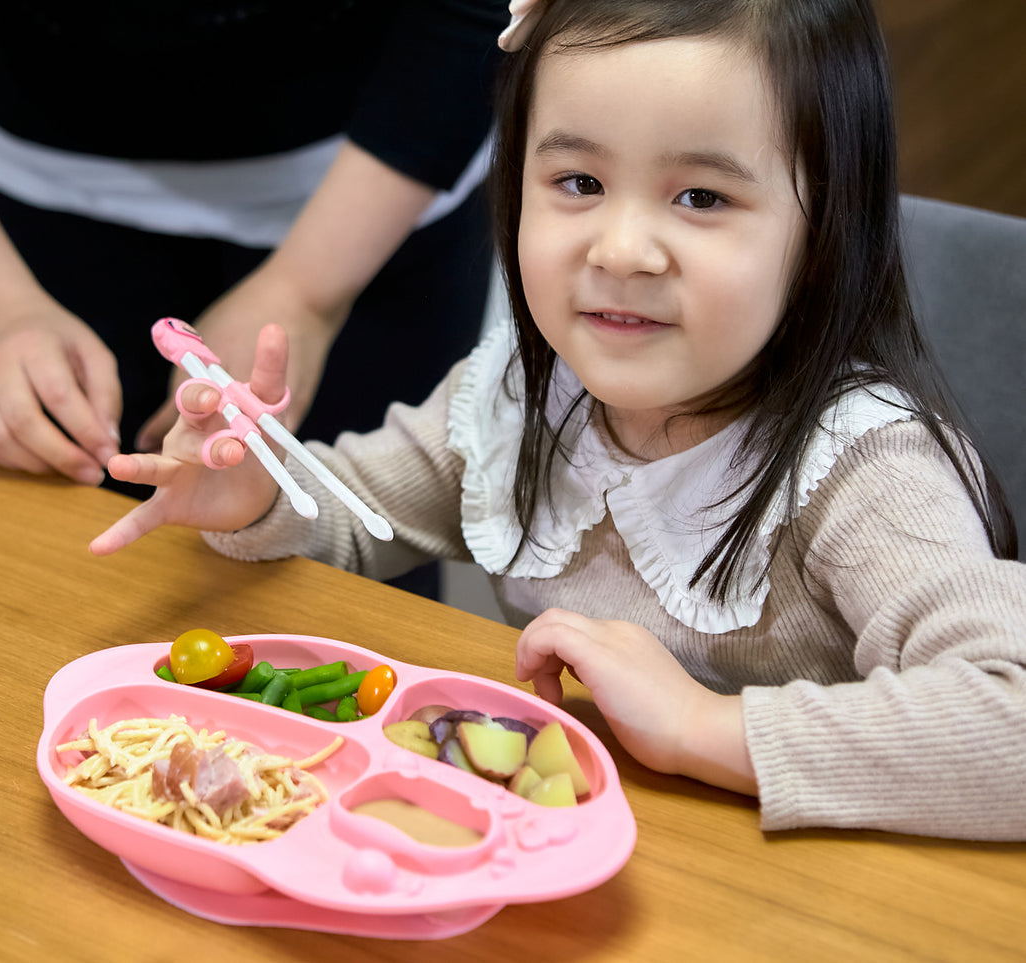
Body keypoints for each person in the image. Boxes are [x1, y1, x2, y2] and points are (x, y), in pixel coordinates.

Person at [89, 0, 1026, 840]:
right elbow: (358, 518)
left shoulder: (864, 469)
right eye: (577, 181)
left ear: (823, 234)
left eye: (700, 197)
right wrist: (256, 494)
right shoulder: (522, 397)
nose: (619, 249)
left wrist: (704, 726)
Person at [0, 0, 505, 597]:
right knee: (89, 579)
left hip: (376, 177)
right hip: (41, 197)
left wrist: (306, 289)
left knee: (350, 589)